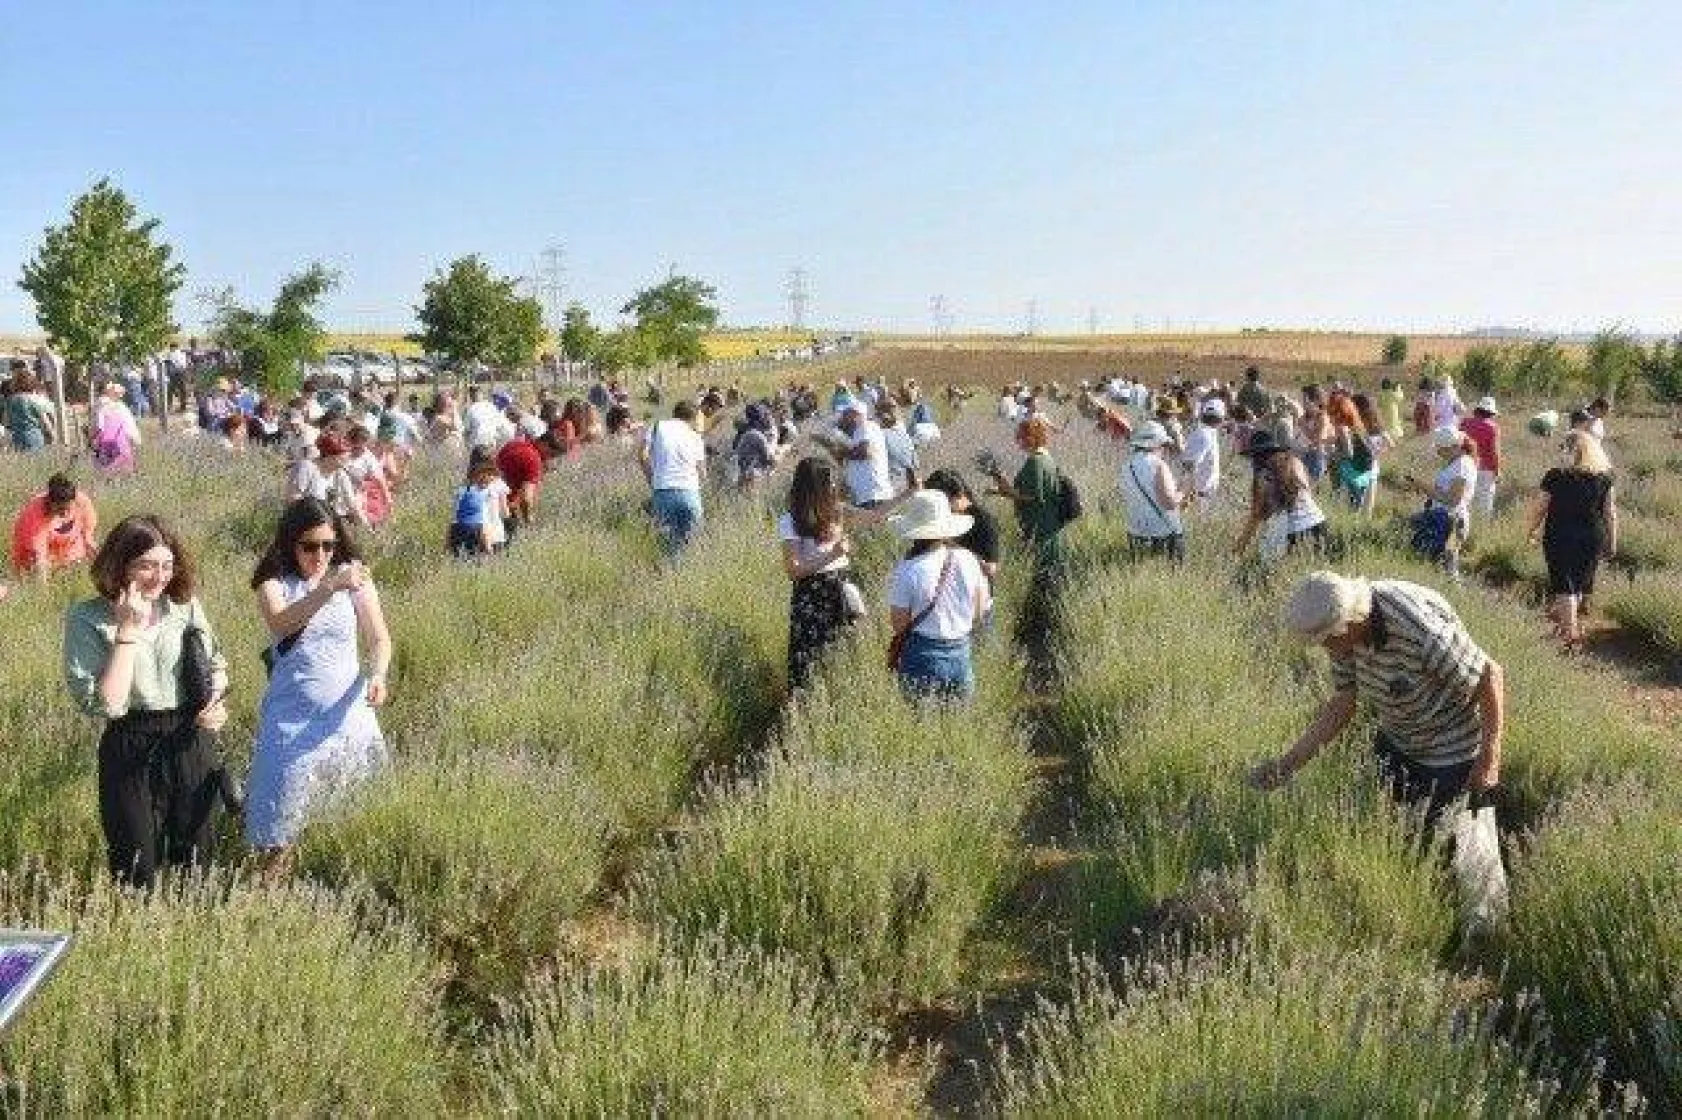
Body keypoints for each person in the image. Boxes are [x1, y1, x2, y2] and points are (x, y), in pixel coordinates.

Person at [1249, 570, 1506, 836]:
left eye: (1327, 640)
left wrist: (1489, 761)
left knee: (1447, 845)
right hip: (1398, 742)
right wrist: (1287, 765)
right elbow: (1341, 706)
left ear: (1348, 622)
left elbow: (1490, 677)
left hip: (1449, 753)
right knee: (1400, 835)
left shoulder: (1418, 628)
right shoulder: (1342, 636)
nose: (1325, 648)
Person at [64, 515, 230, 886]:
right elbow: (108, 705)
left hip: (190, 736)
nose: (160, 577)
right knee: (136, 862)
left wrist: (216, 701)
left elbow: (215, 663)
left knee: (197, 861)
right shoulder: (87, 618)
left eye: (167, 566)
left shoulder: (184, 607)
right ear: (120, 565)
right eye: (146, 566)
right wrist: (127, 630)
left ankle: (192, 935)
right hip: (130, 739)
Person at [247, 499, 390, 872]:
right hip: (291, 719)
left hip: (348, 716)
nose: (321, 555)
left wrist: (378, 674)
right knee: (279, 828)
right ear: (290, 544)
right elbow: (281, 623)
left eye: (329, 545)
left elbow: (378, 639)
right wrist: (327, 588)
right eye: (310, 546)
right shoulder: (274, 583)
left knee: (357, 817)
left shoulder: (354, 578)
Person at [778, 457, 897, 688]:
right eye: (829, 483)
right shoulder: (791, 521)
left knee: (845, 655)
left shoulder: (837, 512)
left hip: (840, 592)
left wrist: (909, 492)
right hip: (812, 597)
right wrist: (831, 555)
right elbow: (793, 570)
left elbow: (875, 517)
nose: (834, 487)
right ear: (812, 488)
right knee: (809, 662)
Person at [886, 490, 992, 700]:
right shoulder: (968, 559)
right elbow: (979, 611)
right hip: (960, 653)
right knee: (959, 726)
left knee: (920, 725)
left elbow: (899, 624)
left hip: (921, 655)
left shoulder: (907, 570)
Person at [1526, 431, 1618, 653]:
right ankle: (1566, 625)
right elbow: (1610, 514)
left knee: (1564, 584)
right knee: (1577, 583)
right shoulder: (1604, 478)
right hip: (1592, 537)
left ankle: (1571, 636)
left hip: (1560, 535)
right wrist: (1612, 541)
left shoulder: (1555, 476)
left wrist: (1530, 529)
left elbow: (1540, 507)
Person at [985, 416, 1069, 579]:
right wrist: (1000, 489)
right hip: (1047, 527)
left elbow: (1027, 496)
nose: (1017, 441)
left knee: (1045, 578)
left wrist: (998, 478)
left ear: (1031, 437)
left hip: (1041, 530)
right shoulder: (1044, 458)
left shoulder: (1036, 463)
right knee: (1050, 576)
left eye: (1020, 437)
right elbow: (1026, 492)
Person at [1233, 430, 1327, 560]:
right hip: (1318, 521)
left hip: (1293, 531)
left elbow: (1256, 517)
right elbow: (1307, 494)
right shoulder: (1296, 462)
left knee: (1268, 568)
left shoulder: (1263, 475)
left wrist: (1239, 547)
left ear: (1257, 456)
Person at [639, 400, 708, 558]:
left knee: (667, 546)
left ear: (674, 414)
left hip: (663, 492)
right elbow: (703, 474)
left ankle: (667, 578)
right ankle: (685, 579)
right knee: (692, 547)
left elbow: (642, 456)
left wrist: (653, 480)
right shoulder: (695, 436)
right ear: (691, 418)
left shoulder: (657, 427)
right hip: (690, 494)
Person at [1406, 427, 1477, 576]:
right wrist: (1423, 488)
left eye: (1440, 449)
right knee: (1442, 567)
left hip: (1450, 522)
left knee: (1447, 570)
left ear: (1453, 447)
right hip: (1442, 519)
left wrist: (1422, 485)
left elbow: (1452, 500)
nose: (1438, 452)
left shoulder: (1462, 466)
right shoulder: (1456, 462)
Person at [11, 474, 98, 581]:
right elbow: (39, 559)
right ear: (50, 502)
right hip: (34, 562)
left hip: (68, 554)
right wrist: (43, 595)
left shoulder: (81, 502)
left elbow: (88, 538)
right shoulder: (34, 514)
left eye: (68, 508)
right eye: (61, 508)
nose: (65, 513)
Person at [1122, 421, 1186, 562]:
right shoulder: (1158, 465)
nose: (1164, 449)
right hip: (1163, 534)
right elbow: (1169, 503)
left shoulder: (1126, 466)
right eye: (1164, 445)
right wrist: (1182, 491)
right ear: (1156, 444)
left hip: (1136, 532)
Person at [924, 469, 1000, 583]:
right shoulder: (949, 518)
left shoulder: (984, 521)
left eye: (941, 502)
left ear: (957, 495)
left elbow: (990, 570)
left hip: (974, 593)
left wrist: (951, 545)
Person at [286, 433, 368, 527]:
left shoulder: (340, 474)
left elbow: (352, 504)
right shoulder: (306, 467)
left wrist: (367, 528)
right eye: (344, 457)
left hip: (323, 524)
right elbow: (292, 499)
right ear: (331, 456)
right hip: (300, 523)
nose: (347, 461)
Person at [496, 421, 545, 530]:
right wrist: (529, 522)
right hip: (507, 509)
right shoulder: (533, 458)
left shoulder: (513, 444)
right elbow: (526, 499)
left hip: (494, 504)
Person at [1460, 397, 1503, 519]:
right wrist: (1497, 470)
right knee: (1485, 501)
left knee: (1467, 498)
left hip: (1466, 465)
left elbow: (1460, 444)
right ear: (1491, 413)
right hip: (1486, 469)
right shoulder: (1492, 427)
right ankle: (1482, 526)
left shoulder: (1465, 423)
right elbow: (1495, 452)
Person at [1180, 400, 1223, 513]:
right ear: (1221, 419)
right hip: (1197, 499)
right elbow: (1189, 466)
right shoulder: (1204, 436)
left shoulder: (1207, 434)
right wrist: (1188, 498)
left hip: (1202, 496)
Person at [90, 380, 142, 473]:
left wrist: (92, 439)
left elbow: (99, 426)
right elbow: (130, 428)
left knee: (105, 469)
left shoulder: (101, 405)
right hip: (122, 442)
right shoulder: (119, 407)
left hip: (106, 443)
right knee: (123, 468)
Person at [5, 366, 56, 452]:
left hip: (17, 437)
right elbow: (44, 420)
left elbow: (5, 421)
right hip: (34, 436)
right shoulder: (33, 399)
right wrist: (53, 436)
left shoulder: (10, 401)